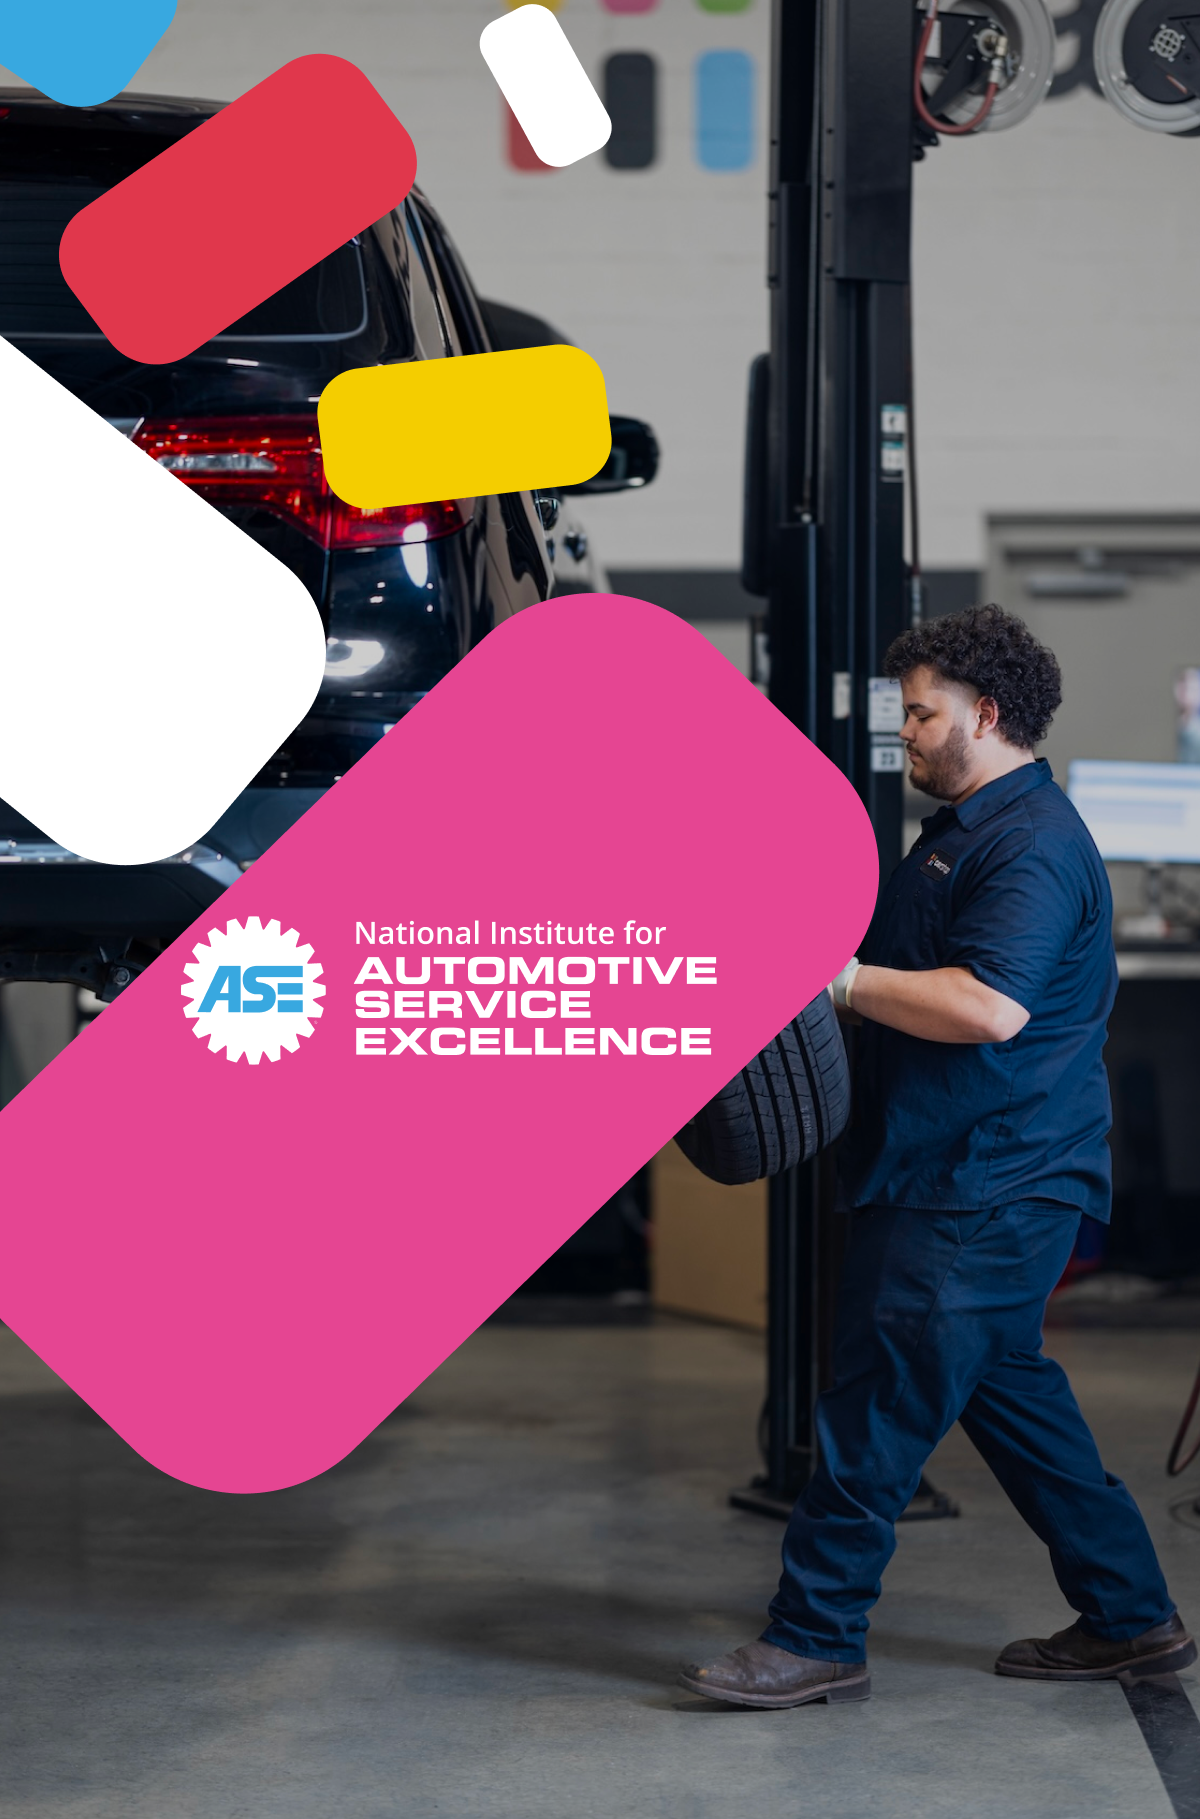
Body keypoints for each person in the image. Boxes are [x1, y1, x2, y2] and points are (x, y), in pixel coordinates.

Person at [680, 603, 1195, 1710]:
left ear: (987, 712)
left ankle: (815, 1634)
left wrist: (835, 980)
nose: (904, 733)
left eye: (921, 713)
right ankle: (1133, 1616)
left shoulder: (1032, 847)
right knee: (1013, 1397)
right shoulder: (964, 831)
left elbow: (989, 1006)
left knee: (871, 1409)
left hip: (981, 1183)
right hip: (952, 1169)